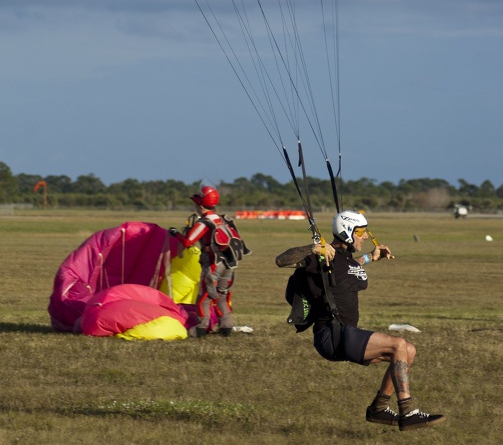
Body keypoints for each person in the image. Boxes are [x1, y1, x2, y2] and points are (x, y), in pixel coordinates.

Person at [275, 210, 446, 432]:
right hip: (332, 335)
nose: (365, 236)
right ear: (347, 232)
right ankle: (408, 411)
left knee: (408, 350)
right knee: (398, 344)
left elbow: (348, 269)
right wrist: (314, 248)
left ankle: (379, 408)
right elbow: (281, 260)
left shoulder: (342, 259)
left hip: (346, 333)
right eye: (361, 232)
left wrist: (371, 257)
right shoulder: (321, 257)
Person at [169, 182, 246, 337]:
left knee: (204, 297)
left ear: (200, 205)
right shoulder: (224, 220)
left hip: (212, 264)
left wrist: (175, 233)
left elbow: (187, 242)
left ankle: (200, 328)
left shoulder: (205, 222)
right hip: (229, 264)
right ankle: (226, 325)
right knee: (221, 296)